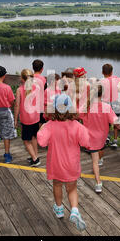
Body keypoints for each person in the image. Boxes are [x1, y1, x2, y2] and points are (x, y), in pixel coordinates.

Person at [37, 93, 90, 231]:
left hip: (56, 164)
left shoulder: (49, 125)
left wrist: (41, 129)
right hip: (72, 164)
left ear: (53, 109)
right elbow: (86, 142)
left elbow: (41, 142)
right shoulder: (77, 126)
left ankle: (59, 209)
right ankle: (74, 210)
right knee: (72, 188)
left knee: (57, 185)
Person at [80, 84, 120, 193]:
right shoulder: (106, 107)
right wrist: (119, 126)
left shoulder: (86, 106)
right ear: (102, 94)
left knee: (94, 161)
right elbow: (116, 122)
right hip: (102, 138)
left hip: (89, 138)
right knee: (99, 151)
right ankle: (100, 160)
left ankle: (98, 183)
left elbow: (76, 115)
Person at [14, 69, 41, 167]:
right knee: (34, 137)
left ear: (22, 78)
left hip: (26, 119)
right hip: (36, 118)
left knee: (26, 140)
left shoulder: (19, 90)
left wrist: (15, 119)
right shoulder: (37, 87)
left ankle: (35, 159)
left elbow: (17, 106)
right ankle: (35, 155)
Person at [100, 63, 120, 150]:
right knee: (116, 121)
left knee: (106, 122)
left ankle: (107, 137)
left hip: (105, 104)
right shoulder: (116, 79)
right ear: (112, 72)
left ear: (102, 72)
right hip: (115, 104)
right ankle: (115, 141)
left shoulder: (101, 81)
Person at [32, 59, 47, 125]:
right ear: (42, 69)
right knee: (41, 123)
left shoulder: (29, 78)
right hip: (40, 105)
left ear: (33, 68)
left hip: (31, 104)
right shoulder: (43, 79)